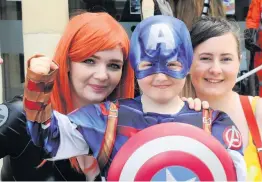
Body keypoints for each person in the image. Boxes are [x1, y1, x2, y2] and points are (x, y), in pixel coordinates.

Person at [23, 15, 246, 181]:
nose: (160, 76)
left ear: (187, 65)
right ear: (134, 66)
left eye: (172, 65)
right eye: (148, 65)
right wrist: (38, 83)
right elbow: (46, 138)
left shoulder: (215, 123)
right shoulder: (105, 118)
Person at [0, 12, 134, 181]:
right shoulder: (23, 116)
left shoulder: (124, 127)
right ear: (68, 62)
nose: (102, 75)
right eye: (89, 61)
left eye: (114, 65)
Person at [182, 16, 262, 181]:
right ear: (187, 63)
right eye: (205, 58)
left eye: (226, 59)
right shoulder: (173, 118)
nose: (215, 69)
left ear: (239, 62)